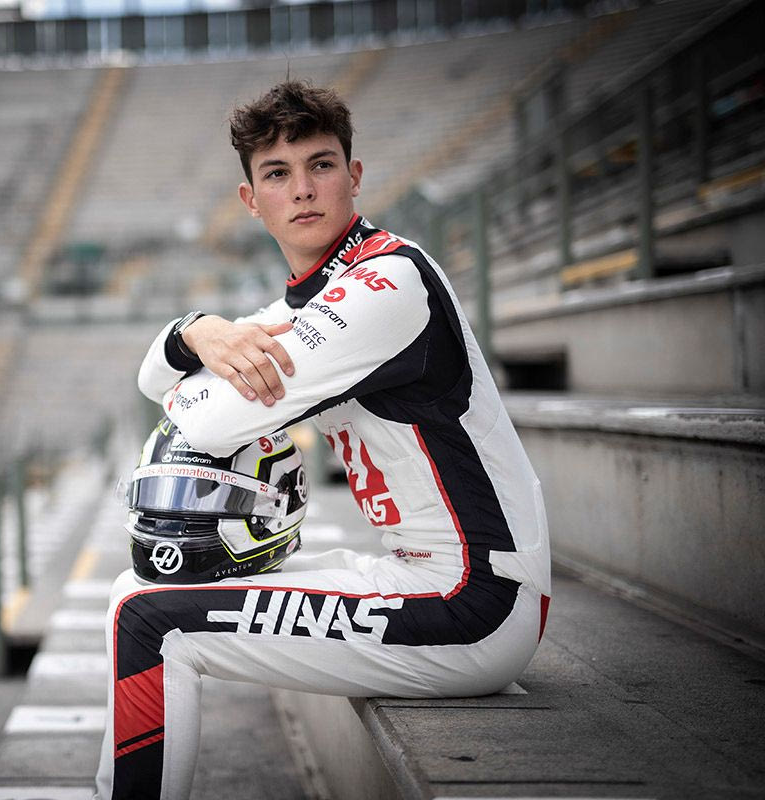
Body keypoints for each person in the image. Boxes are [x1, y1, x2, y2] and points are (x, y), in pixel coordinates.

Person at [94, 81, 552, 800]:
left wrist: (207, 369)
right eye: (277, 173)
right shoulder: (308, 300)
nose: (303, 189)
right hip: (420, 576)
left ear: (354, 175)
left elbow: (205, 421)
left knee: (146, 621)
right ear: (252, 200)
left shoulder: (389, 281)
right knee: (138, 586)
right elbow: (155, 377)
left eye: (321, 165)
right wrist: (197, 330)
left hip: (476, 603)